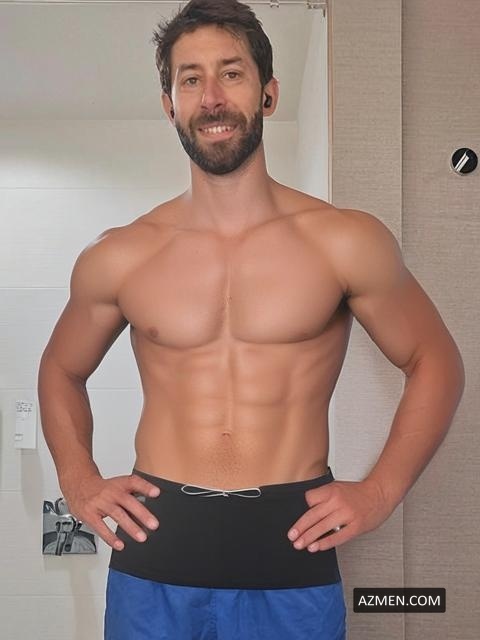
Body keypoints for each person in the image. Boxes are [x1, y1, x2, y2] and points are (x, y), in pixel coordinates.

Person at [37, 1, 465, 638]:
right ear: (170, 105)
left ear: (268, 93)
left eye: (231, 73)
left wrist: (379, 492)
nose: (211, 96)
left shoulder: (344, 241)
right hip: (156, 553)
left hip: (290, 552)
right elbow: (60, 369)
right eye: (191, 79)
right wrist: (79, 480)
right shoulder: (122, 255)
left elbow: (436, 360)